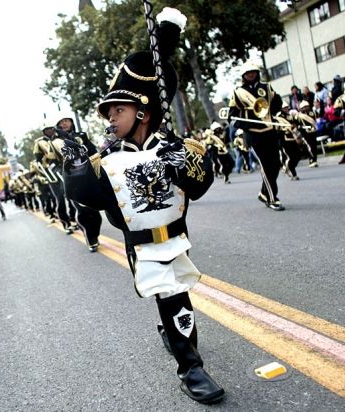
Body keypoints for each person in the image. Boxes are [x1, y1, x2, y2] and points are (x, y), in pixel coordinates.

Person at [62, 8, 224, 404]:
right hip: (141, 243)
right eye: (109, 113)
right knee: (169, 295)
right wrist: (77, 167)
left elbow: (200, 186)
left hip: (176, 238)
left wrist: (181, 163)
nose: (111, 118)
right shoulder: (106, 161)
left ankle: (182, 352)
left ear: (143, 112)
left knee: (172, 295)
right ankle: (189, 363)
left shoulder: (176, 147)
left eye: (118, 110)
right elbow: (86, 198)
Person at [229, 62, 285, 211]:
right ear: (244, 75)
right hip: (253, 133)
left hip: (269, 130)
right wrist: (243, 124)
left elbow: (276, 105)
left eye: (253, 72)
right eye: (248, 73)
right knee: (266, 165)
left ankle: (264, 193)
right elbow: (232, 115)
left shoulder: (266, 87)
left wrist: (276, 103)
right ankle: (272, 198)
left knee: (275, 165)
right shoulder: (238, 92)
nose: (251, 74)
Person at [55, 115, 103, 252]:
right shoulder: (56, 141)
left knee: (94, 210)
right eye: (61, 122)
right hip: (72, 178)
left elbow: (92, 151)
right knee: (82, 210)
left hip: (88, 175)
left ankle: (95, 234)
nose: (65, 123)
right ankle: (90, 239)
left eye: (67, 120)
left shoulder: (81, 135)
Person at [276, 102, 302, 180]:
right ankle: (293, 174)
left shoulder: (289, 116)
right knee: (290, 157)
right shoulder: (278, 117)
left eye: (287, 107)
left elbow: (295, 124)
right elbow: (278, 129)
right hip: (284, 140)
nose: (286, 109)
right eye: (285, 108)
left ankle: (287, 167)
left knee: (298, 155)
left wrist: (296, 127)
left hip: (293, 138)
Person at [297, 100, 319, 167]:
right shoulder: (299, 116)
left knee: (314, 146)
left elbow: (315, 120)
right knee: (309, 146)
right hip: (305, 132)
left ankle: (314, 159)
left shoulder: (313, 113)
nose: (306, 108)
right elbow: (297, 124)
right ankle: (312, 159)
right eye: (304, 107)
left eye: (307, 107)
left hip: (313, 131)